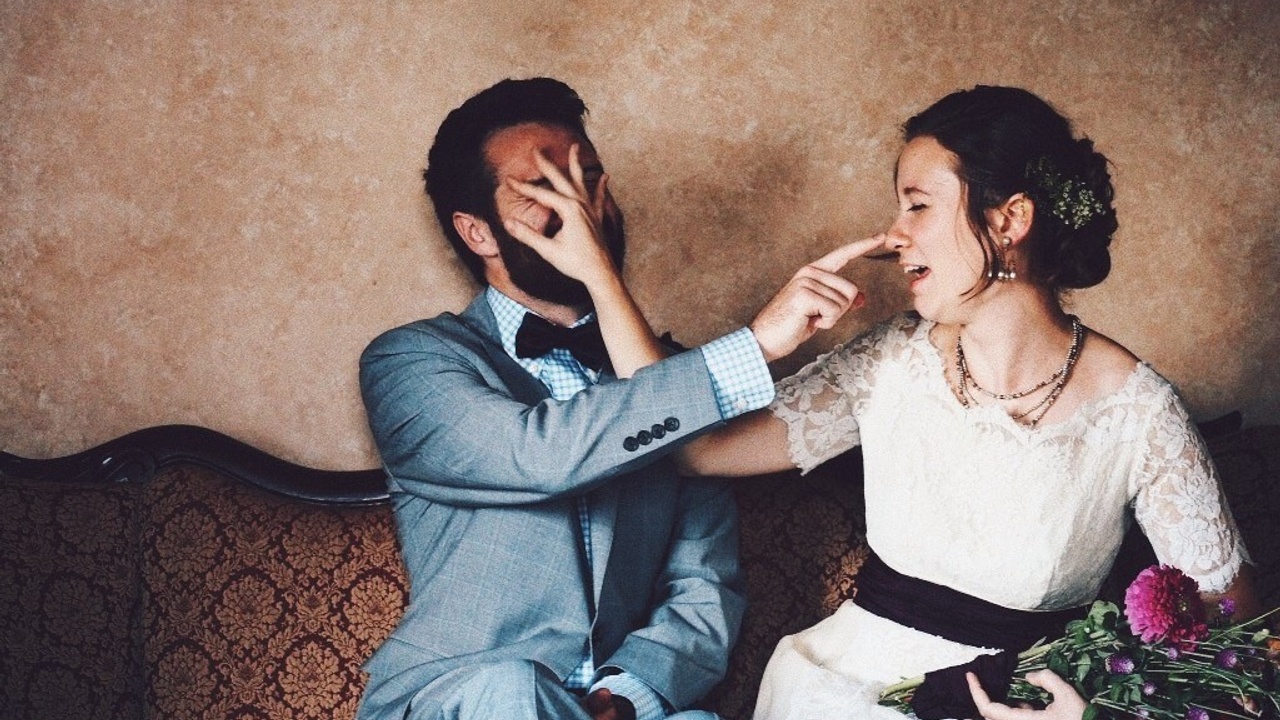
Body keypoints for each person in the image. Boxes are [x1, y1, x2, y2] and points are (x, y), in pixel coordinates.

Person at [670, 85, 1262, 720]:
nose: (894, 236)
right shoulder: (888, 360)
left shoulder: (1139, 410)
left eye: (917, 206)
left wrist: (1095, 716)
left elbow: (1245, 650)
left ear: (1009, 220)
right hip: (832, 694)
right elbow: (693, 450)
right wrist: (746, 334)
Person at [354, 77, 879, 720]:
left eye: (588, 179)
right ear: (478, 232)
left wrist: (629, 695)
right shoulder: (409, 363)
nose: (583, 211)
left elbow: (703, 587)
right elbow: (540, 456)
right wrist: (754, 345)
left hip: (608, 705)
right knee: (511, 690)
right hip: (463, 697)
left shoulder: (668, 377)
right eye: (544, 191)